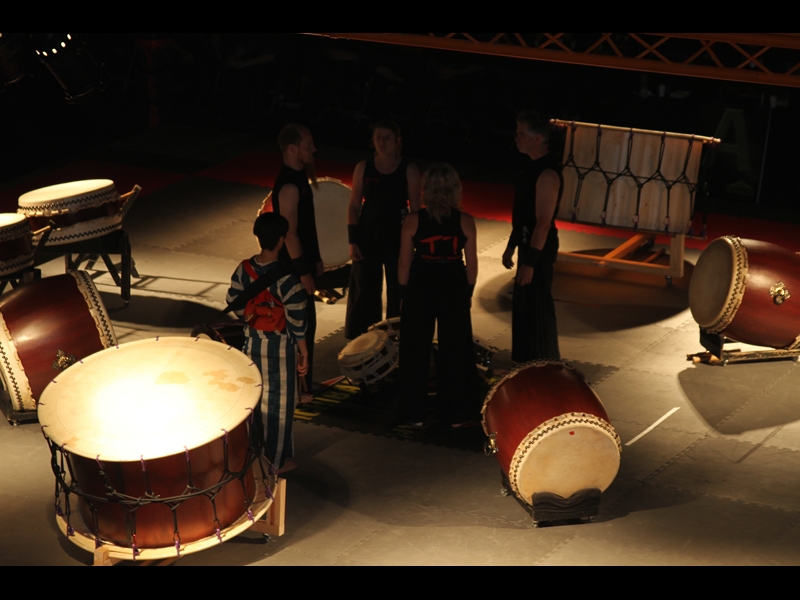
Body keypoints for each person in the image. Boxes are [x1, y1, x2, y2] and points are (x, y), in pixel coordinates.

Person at [397, 163, 479, 428]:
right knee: (455, 351)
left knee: (414, 349)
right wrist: (467, 293)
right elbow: (472, 265)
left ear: (426, 190)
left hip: (420, 286)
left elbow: (404, 263)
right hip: (453, 286)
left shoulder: (413, 220)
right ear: (455, 189)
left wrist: (403, 293)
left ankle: (413, 414)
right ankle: (456, 414)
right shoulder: (465, 221)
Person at [227, 212, 308, 474]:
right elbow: (297, 318)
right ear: (282, 240)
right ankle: (275, 462)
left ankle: (255, 455)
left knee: (255, 400)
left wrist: (254, 317)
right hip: (280, 347)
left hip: (252, 343)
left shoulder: (244, 269)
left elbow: (234, 303)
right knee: (280, 406)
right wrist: (304, 352)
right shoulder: (287, 279)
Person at [345, 120, 421, 339]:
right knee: (364, 289)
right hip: (367, 236)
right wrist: (352, 240)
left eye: (387, 137)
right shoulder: (363, 167)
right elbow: (354, 205)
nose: (382, 141)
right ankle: (363, 339)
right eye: (378, 137)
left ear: (397, 141)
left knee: (399, 289)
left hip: (398, 238)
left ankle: (397, 337)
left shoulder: (409, 169)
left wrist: (414, 243)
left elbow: (416, 210)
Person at [503, 109, 563, 362]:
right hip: (527, 243)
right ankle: (525, 361)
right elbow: (522, 215)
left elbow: (542, 224)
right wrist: (511, 245)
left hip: (538, 249)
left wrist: (530, 262)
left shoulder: (547, 173)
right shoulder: (530, 168)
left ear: (538, 138)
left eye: (521, 134)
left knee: (537, 306)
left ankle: (544, 362)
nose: (516, 138)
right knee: (523, 306)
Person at [271, 123, 322, 394]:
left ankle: (302, 386)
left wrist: (316, 259)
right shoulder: (289, 185)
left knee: (306, 328)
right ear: (292, 149)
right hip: (292, 270)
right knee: (299, 330)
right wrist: (304, 272)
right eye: (308, 145)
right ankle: (298, 390)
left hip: (302, 265)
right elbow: (290, 234)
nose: (313, 149)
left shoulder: (300, 178)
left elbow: (307, 227)